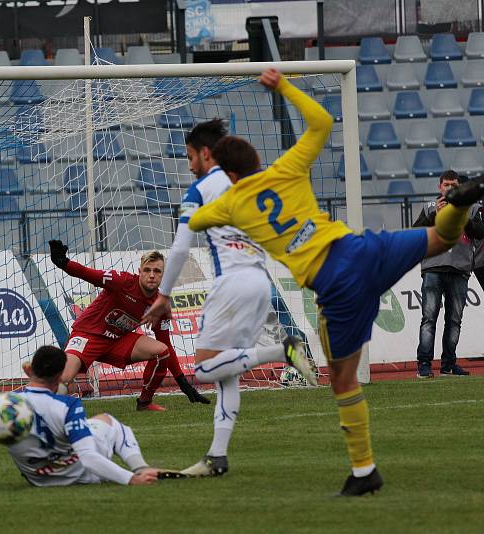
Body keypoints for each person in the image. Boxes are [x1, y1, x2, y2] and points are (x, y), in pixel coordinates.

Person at [186, 68, 484, 496]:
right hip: (362, 249)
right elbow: (322, 123)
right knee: (443, 236)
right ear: (254, 161)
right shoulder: (287, 168)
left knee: (343, 382)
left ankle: (364, 472)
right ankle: (456, 204)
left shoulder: (231, 202)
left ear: (227, 173)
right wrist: (285, 86)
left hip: (335, 285)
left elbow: (198, 218)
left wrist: (211, 183)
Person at [141, 119, 317, 478]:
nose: (189, 165)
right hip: (259, 280)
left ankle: (282, 350)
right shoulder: (250, 183)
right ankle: (216, 457)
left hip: (232, 282)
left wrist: (163, 295)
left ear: (206, 153)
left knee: (205, 369)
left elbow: (179, 248)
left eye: (191, 156)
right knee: (227, 374)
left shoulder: (202, 188)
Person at [0, 346, 171, 490]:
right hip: (84, 475)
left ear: (29, 370)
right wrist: (130, 479)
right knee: (108, 421)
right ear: (61, 376)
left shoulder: (0, 406)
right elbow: (88, 457)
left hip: (38, 479)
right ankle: (141, 469)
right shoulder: (68, 405)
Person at [46, 243, 210, 411]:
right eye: (147, 270)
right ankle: (46, 408)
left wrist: (182, 382)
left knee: (162, 352)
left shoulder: (160, 305)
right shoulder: (122, 281)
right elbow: (89, 274)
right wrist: (63, 262)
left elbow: (166, 343)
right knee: (64, 379)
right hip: (88, 335)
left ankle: (145, 403)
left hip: (117, 341)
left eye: (157, 271)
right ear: (139, 272)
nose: (151, 275)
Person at [412, 171, 484, 377]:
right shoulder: (429, 207)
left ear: (460, 187)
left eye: (454, 185)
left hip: (460, 269)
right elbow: (416, 232)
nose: (450, 188)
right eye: (446, 185)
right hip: (433, 268)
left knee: (454, 320)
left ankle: (448, 365)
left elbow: (480, 233)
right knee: (429, 319)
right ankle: (424, 365)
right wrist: (434, 215)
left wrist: (463, 217)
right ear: (439, 187)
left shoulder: (472, 208)